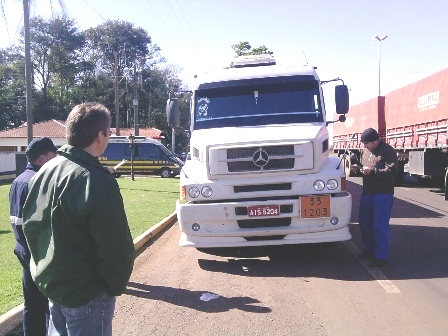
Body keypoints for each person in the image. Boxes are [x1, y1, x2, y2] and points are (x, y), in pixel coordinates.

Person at [23, 102, 135, 336]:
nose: (109, 137)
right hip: (87, 293)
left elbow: (31, 227)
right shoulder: (95, 179)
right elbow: (115, 246)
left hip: (54, 286)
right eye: (109, 132)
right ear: (100, 135)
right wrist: (113, 285)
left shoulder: (45, 170)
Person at [9, 137, 58, 336]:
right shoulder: (39, 181)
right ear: (42, 158)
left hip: (21, 248)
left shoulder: (18, 180)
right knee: (48, 305)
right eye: (53, 156)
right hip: (38, 253)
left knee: (32, 303)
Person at [351, 127, 398, 267]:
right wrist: (358, 169)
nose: (364, 146)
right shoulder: (366, 151)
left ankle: (381, 257)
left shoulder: (388, 151)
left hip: (382, 194)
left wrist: (372, 172)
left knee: (380, 225)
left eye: (367, 143)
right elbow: (366, 168)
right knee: (364, 223)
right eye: (363, 143)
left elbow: (392, 171)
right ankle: (369, 250)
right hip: (367, 193)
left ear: (375, 141)